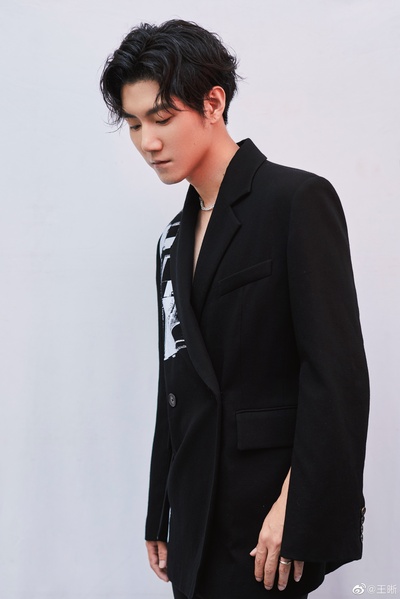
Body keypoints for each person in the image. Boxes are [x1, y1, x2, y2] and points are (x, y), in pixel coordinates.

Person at [100, 19, 369, 599]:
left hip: (267, 513)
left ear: (213, 102)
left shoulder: (296, 201)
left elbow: (337, 376)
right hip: (193, 511)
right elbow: (175, 379)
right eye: (135, 124)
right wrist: (160, 507)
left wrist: (296, 507)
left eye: (162, 118)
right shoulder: (172, 239)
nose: (148, 142)